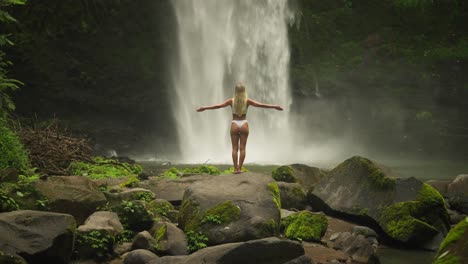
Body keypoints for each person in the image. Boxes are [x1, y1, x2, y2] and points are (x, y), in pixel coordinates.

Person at [196, 83, 283, 174]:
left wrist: (204, 107)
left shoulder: (231, 101)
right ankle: (240, 168)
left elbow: (218, 106)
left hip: (235, 124)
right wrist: (274, 106)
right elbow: (260, 105)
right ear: (244, 91)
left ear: (235, 91)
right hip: (244, 124)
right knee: (242, 148)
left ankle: (235, 169)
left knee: (234, 148)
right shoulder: (247, 101)